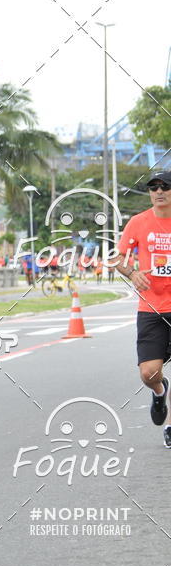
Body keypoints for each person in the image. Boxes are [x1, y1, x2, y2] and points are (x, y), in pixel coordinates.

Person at [111, 171, 171, 447]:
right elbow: (118, 259)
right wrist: (133, 273)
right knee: (149, 373)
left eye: (165, 186)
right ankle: (159, 392)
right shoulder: (138, 222)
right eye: (153, 188)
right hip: (151, 308)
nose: (159, 192)